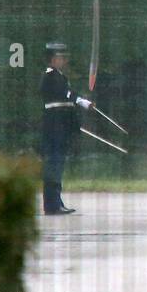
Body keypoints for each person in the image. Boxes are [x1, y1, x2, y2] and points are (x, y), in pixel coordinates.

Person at [39, 42, 93, 215]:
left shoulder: (59, 77)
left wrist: (82, 101)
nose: (63, 60)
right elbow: (65, 93)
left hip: (60, 127)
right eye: (61, 57)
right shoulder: (50, 76)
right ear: (53, 59)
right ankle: (53, 205)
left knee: (57, 164)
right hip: (54, 127)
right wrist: (78, 100)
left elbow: (68, 93)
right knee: (54, 164)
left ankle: (56, 202)